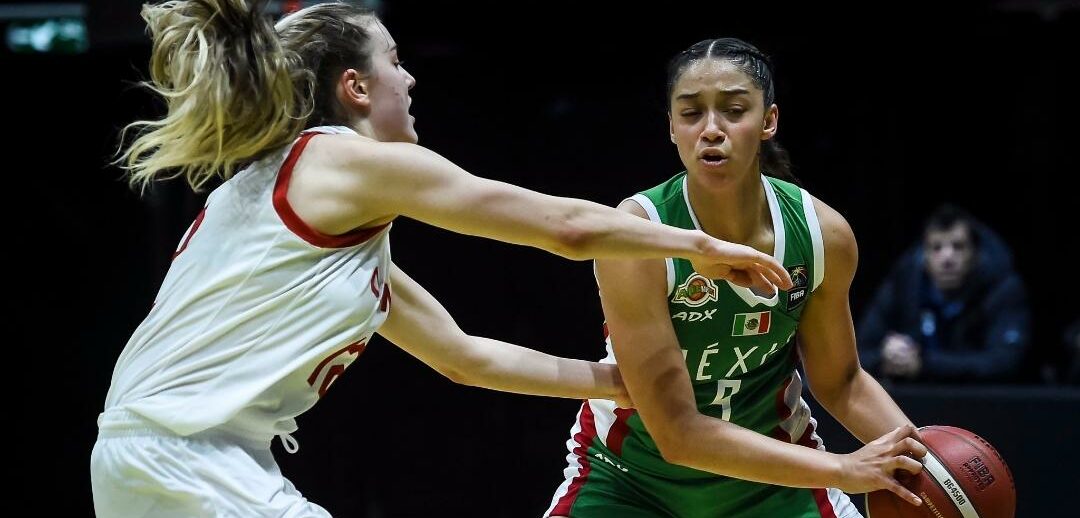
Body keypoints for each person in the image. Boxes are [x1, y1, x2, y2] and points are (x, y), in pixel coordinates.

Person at [90, 3, 793, 517]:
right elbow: (565, 227)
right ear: (355, 88)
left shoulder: (318, 226)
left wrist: (618, 383)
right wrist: (700, 244)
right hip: (185, 454)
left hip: (159, 457)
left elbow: (464, 357)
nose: (411, 78)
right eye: (394, 60)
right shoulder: (341, 160)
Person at [545, 38, 926, 518]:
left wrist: (929, 467)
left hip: (776, 484)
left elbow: (842, 382)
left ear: (768, 121)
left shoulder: (823, 235)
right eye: (690, 114)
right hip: (632, 482)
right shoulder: (636, 233)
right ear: (671, 128)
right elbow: (678, 435)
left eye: (733, 110)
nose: (711, 130)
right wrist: (844, 468)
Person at [856, 205, 1031, 382]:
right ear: (924, 255)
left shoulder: (1002, 288)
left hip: (984, 403)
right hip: (914, 402)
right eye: (936, 247)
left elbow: (1005, 362)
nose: (947, 258)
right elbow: (859, 353)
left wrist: (925, 364)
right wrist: (885, 358)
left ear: (975, 254)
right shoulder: (904, 283)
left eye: (958, 246)